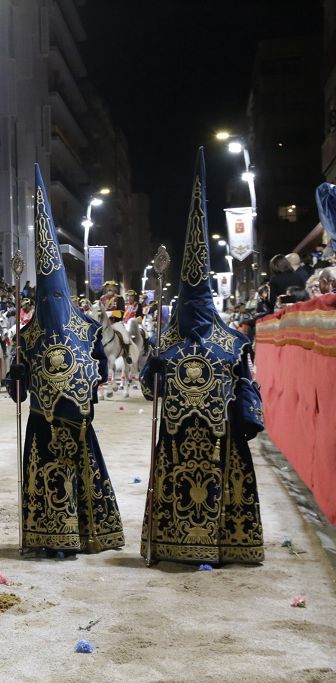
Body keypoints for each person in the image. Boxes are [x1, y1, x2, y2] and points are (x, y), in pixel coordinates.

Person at [140, 148, 264, 565]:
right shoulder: (165, 345)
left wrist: (248, 416)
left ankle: (226, 543)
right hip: (176, 445)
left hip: (219, 444)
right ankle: (173, 542)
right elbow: (146, 390)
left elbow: (247, 387)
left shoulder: (232, 344)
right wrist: (152, 370)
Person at [4, 165, 124, 555]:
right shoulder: (27, 334)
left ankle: (83, 536)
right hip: (40, 420)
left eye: (58, 299)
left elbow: (101, 370)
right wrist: (17, 376)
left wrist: (87, 382)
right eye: (47, 300)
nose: (52, 306)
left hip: (76, 420)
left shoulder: (88, 328)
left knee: (80, 477)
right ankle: (46, 538)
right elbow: (16, 392)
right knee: (45, 479)